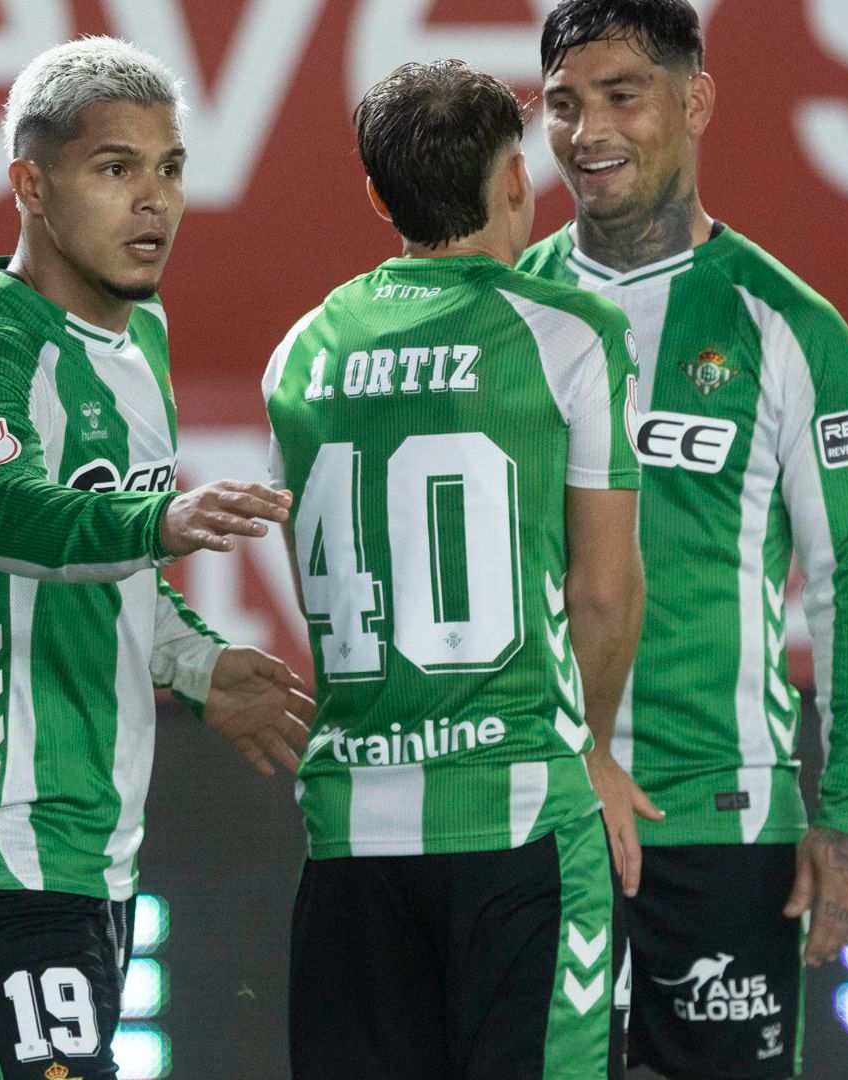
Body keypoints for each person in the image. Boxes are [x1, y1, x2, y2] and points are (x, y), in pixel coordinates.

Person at [0, 37, 314, 1080]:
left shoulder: (138, 343)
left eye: (168, 167)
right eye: (115, 168)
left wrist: (197, 662)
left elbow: (107, 560)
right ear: (29, 183)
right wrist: (157, 522)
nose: (153, 200)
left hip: (95, 850)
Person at [519, 3, 848, 1076]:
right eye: (562, 104)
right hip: (539, 820)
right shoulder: (507, 315)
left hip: (722, 825)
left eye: (621, 96)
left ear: (696, 102)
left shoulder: (790, 326)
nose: (587, 131)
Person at [267, 59, 647, 1078]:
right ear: (515, 180)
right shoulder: (572, 335)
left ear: (378, 196)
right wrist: (596, 752)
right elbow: (604, 590)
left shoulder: (303, 351)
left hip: (350, 834)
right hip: (517, 813)